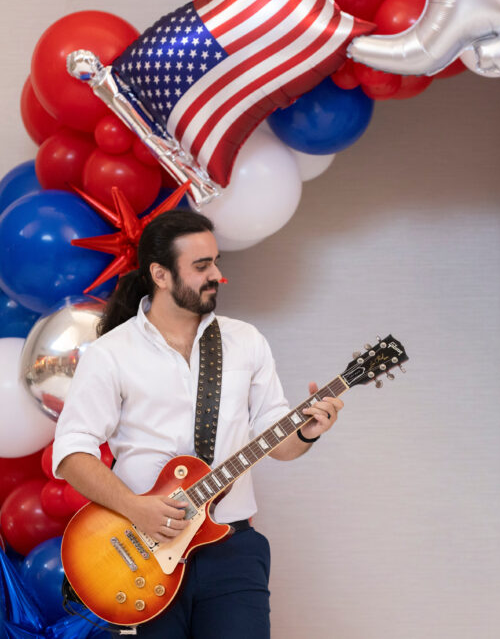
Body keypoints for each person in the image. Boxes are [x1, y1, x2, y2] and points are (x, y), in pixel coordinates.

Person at [51, 209, 343, 638]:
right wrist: (138, 508)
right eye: (201, 266)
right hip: (146, 552)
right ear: (161, 274)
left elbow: (276, 439)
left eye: (216, 262)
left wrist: (306, 432)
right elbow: (72, 453)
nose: (216, 275)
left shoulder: (245, 341)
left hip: (232, 550)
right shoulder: (111, 353)